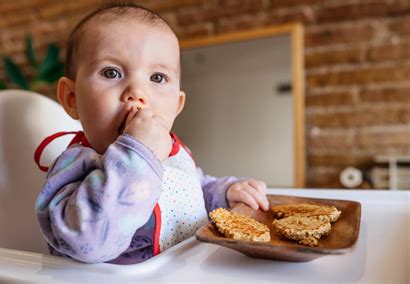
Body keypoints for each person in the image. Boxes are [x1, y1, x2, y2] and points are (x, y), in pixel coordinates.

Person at [34, 2, 269, 265]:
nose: (137, 92)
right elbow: (87, 242)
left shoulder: (173, 152)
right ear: (72, 97)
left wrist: (224, 192)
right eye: (111, 72)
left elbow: (190, 190)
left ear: (177, 105)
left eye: (157, 78)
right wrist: (136, 155)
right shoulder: (75, 166)